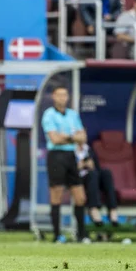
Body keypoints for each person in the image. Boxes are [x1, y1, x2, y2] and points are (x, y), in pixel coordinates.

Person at [40, 85, 88, 243]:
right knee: (57, 195)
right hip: (56, 156)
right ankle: (57, 235)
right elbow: (54, 139)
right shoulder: (49, 115)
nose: (62, 98)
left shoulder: (73, 115)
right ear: (53, 97)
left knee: (80, 197)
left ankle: (81, 235)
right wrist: (73, 137)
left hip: (70, 156)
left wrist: (66, 137)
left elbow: (82, 137)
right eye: (59, 95)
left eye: (65, 94)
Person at [76, 144, 119, 236]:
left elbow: (97, 167)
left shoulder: (88, 149)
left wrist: (91, 165)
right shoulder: (70, 150)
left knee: (106, 173)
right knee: (92, 175)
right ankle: (93, 209)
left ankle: (112, 209)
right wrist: (81, 165)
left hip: (93, 178)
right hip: (78, 180)